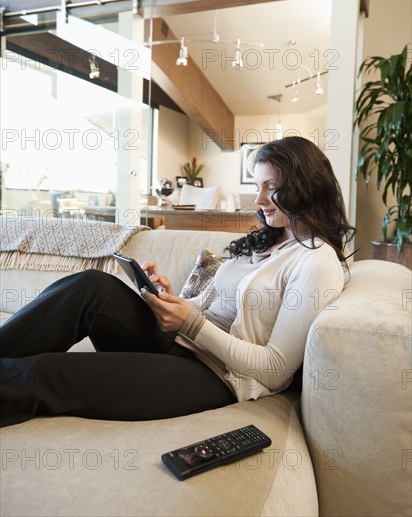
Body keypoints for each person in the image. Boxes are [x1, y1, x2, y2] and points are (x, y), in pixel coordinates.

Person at [0, 137, 356, 428]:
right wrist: (169, 301)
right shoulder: (270, 239)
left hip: (217, 376)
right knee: (89, 287)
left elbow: (276, 371)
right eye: (258, 186)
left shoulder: (316, 261)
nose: (259, 200)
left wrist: (191, 322)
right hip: (181, 341)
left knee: (44, 374)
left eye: (272, 187)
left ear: (306, 188)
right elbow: (213, 308)